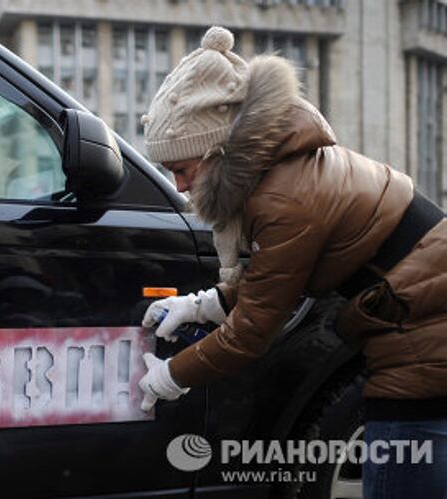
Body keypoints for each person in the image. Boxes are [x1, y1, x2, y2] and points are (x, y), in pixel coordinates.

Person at [138, 26, 446, 498]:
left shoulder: (284, 198)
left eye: (182, 169)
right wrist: (202, 305)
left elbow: (251, 334)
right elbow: (275, 277)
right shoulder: (285, 172)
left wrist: (168, 376)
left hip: (426, 336)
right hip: (419, 318)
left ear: (218, 153)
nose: (179, 186)